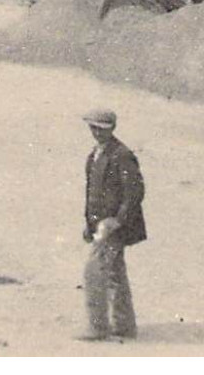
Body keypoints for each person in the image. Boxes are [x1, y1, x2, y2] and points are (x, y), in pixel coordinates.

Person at [79, 108, 145, 341]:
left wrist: (117, 220)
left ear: (112, 129)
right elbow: (91, 194)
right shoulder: (94, 155)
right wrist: (90, 224)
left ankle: (98, 328)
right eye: (93, 127)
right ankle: (124, 326)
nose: (96, 132)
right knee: (115, 274)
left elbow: (134, 192)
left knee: (93, 273)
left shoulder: (122, 154)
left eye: (102, 128)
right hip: (100, 225)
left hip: (114, 227)